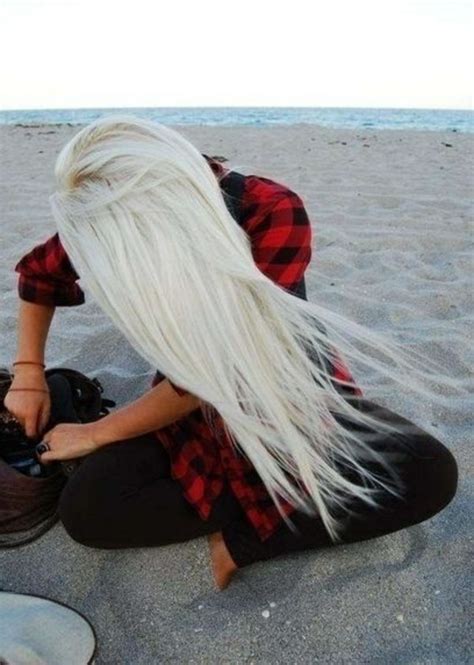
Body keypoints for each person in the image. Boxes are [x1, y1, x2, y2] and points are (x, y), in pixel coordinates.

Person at [5, 116, 459, 590]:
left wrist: (96, 433)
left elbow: (218, 372)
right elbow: (39, 276)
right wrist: (29, 374)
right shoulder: (112, 216)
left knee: (429, 473)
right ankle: (273, 504)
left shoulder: (271, 211)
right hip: (184, 395)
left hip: (281, 385)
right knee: (85, 512)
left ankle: (247, 540)